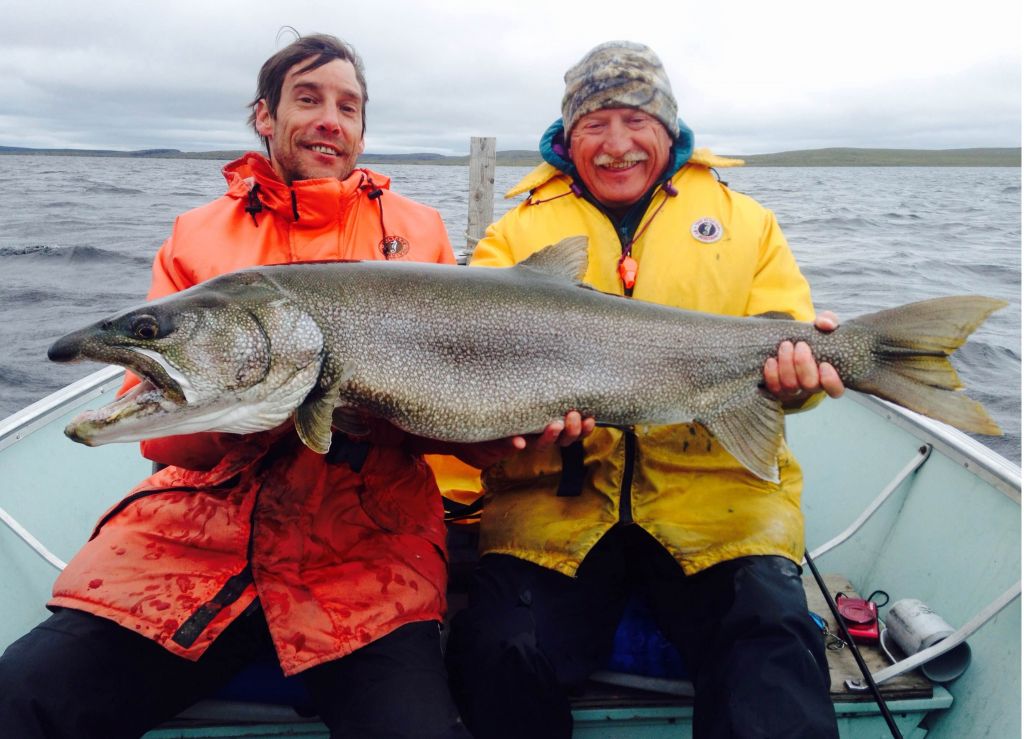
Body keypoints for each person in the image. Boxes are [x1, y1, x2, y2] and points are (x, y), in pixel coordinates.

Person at [0, 33, 574, 739]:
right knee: (20, 696)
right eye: (308, 98)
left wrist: (497, 439)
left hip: (367, 552)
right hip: (191, 542)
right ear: (264, 116)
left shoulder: (418, 234)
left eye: (349, 106)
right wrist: (251, 409)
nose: (330, 118)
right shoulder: (197, 236)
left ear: (363, 129)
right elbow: (159, 432)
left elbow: (446, 411)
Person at [445, 41, 846, 739]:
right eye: (596, 124)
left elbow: (791, 360)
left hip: (721, 512)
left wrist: (797, 384)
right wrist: (520, 426)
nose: (618, 143)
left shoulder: (746, 224)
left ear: (670, 129)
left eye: (636, 120)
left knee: (773, 656)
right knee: (497, 654)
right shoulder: (513, 237)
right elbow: (477, 380)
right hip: (552, 514)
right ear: (568, 138)